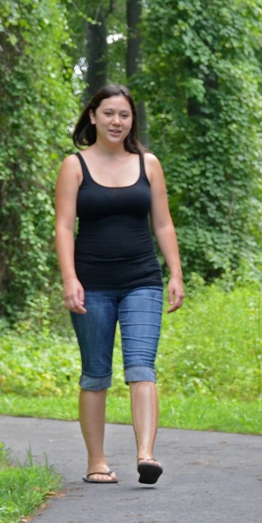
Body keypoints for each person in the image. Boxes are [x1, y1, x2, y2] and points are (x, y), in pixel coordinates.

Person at [54, 84, 184, 486]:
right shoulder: (74, 165)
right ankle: (97, 461)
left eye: (124, 115)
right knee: (95, 374)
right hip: (91, 283)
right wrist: (70, 279)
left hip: (141, 280)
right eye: (109, 113)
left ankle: (146, 454)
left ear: (132, 121)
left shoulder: (148, 164)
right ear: (92, 116)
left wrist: (175, 273)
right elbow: (63, 226)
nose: (116, 122)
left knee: (142, 367)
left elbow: (162, 222)